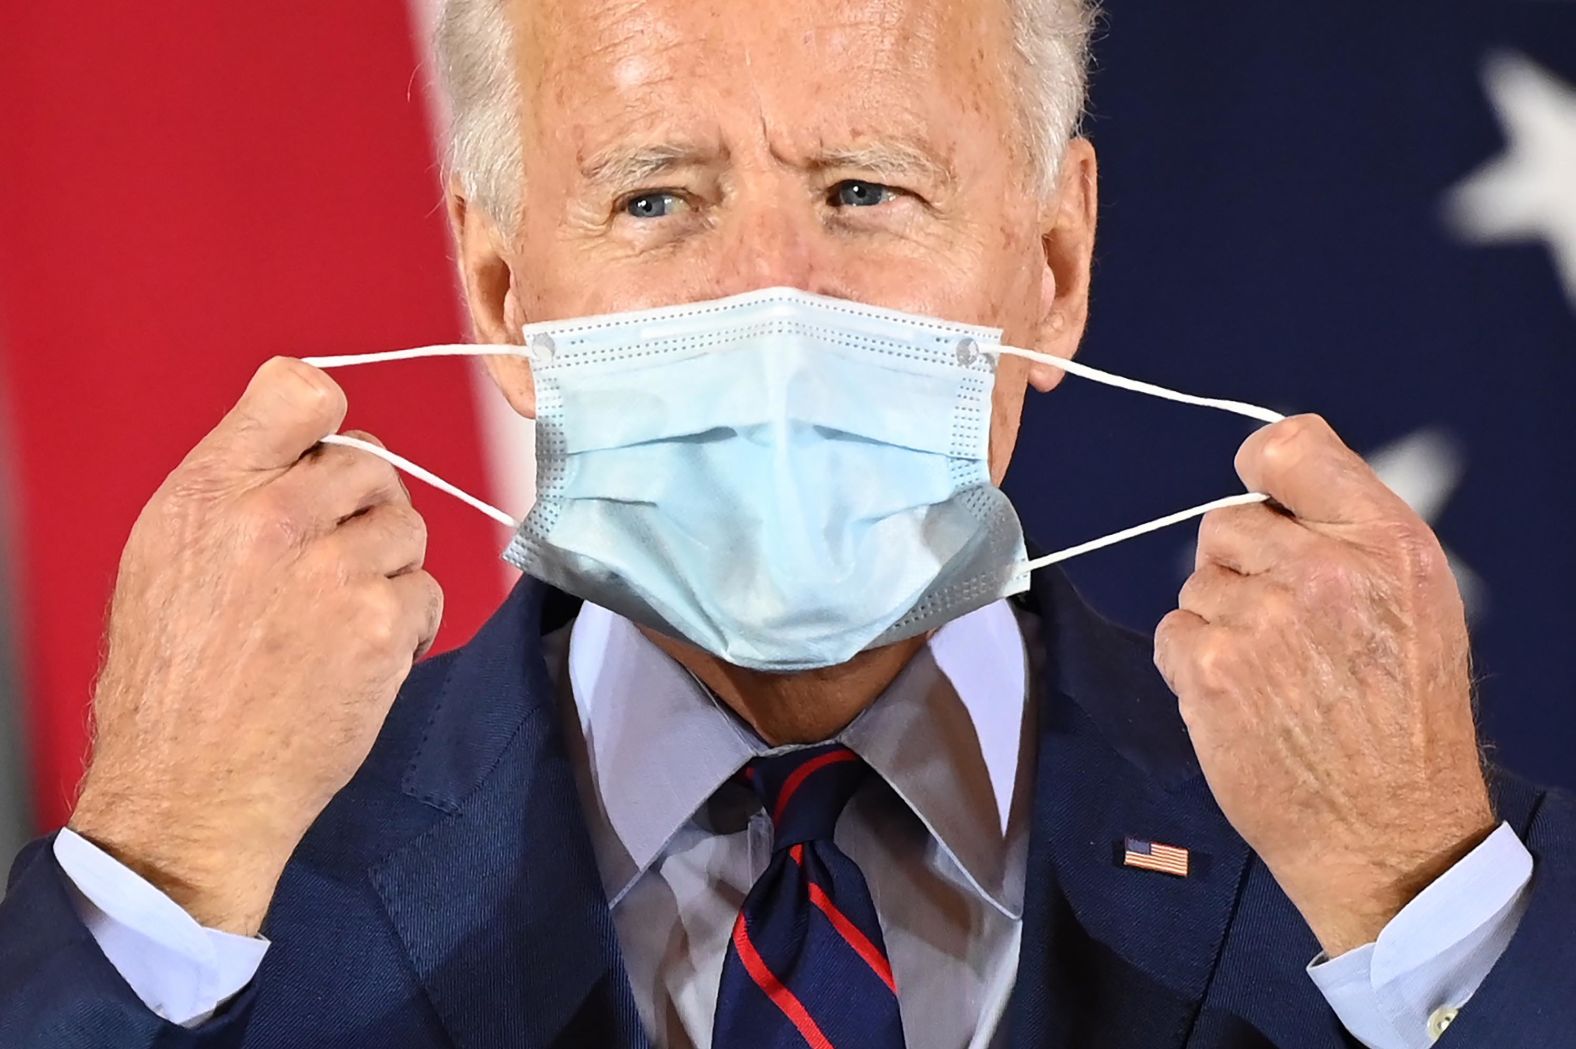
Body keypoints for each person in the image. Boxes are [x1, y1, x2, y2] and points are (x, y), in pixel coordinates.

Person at [2, 0, 1573, 1046]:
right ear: (501, 297)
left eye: (865, 191)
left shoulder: (1390, 866)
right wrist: (158, 866)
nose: (772, 299)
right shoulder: (232, 885)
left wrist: (1426, 905)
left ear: (1053, 269)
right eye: (657, 198)